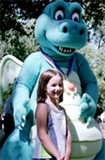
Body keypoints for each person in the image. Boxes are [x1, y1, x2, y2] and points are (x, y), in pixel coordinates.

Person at [32, 69, 72, 160]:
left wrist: (67, 153)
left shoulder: (62, 110)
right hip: (46, 156)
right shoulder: (43, 107)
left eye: (60, 85)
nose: (58, 88)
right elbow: (42, 134)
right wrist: (57, 155)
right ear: (45, 87)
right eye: (53, 85)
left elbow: (67, 133)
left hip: (61, 156)